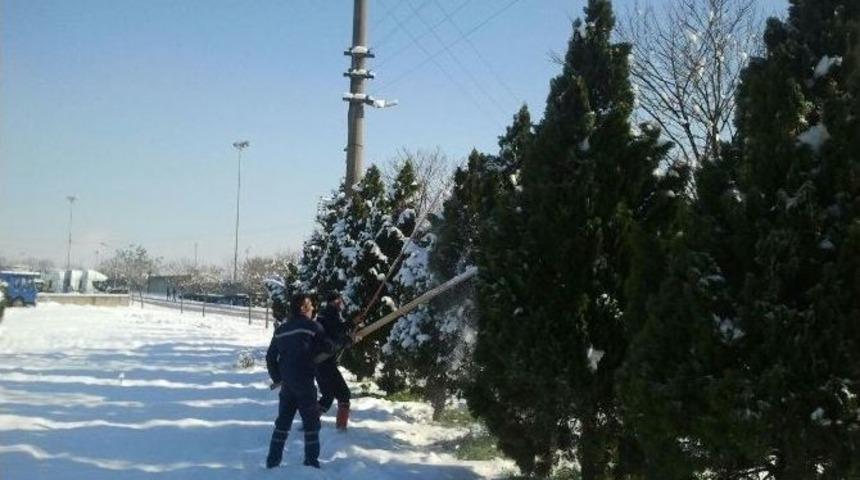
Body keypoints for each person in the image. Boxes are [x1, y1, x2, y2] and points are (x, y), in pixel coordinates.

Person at [265, 292, 335, 469]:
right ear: (304, 307)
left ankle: (272, 463)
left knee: (282, 424)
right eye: (311, 306)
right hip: (305, 383)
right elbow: (327, 346)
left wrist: (278, 378)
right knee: (312, 425)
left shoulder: (281, 331)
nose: (313, 309)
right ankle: (311, 463)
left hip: (287, 385)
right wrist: (346, 340)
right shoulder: (312, 327)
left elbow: (270, 357)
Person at [315, 292, 353, 430]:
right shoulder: (330, 314)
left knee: (328, 396)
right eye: (339, 302)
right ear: (334, 302)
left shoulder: (324, 315)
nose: (340, 304)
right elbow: (336, 333)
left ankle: (310, 421)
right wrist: (347, 339)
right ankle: (341, 431)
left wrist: (351, 325)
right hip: (325, 362)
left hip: (319, 363)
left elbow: (337, 330)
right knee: (344, 395)